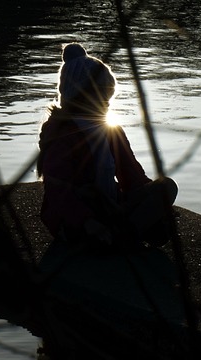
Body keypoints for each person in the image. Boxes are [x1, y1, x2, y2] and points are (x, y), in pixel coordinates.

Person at [37, 43, 178, 251]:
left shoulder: (111, 130)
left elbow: (133, 176)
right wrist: (87, 221)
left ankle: (122, 234)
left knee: (166, 187)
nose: (108, 102)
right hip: (78, 218)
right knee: (96, 235)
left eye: (109, 95)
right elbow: (59, 191)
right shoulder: (62, 134)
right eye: (102, 96)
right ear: (80, 96)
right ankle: (119, 236)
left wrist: (153, 203)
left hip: (112, 207)